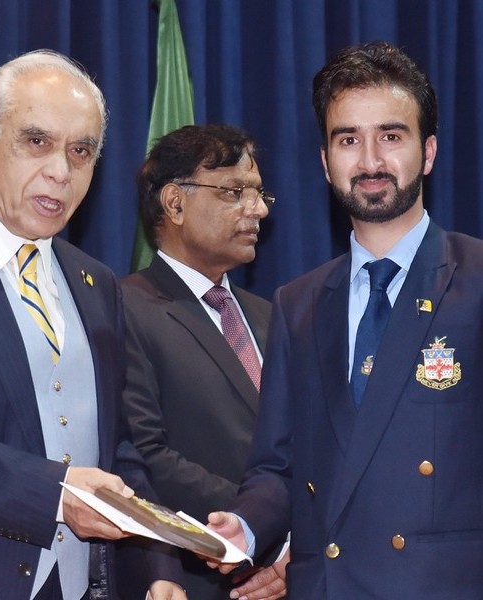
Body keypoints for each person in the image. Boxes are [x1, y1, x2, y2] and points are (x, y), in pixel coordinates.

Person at [207, 40, 483, 599]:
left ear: (428, 152)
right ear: (325, 161)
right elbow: (276, 467)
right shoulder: (298, 304)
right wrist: (246, 525)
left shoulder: (476, 281)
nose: (370, 161)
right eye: (348, 140)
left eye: (391, 136)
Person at [0, 49, 186, 600]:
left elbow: (117, 447)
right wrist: (53, 495)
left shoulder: (97, 283)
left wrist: (157, 566)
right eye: (37, 141)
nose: (61, 172)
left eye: (80, 151)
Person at [121, 124, 286, 599]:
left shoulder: (273, 316)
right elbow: (145, 454)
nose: (258, 209)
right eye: (235, 192)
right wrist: (262, 523)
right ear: (174, 203)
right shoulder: (123, 307)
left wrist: (294, 544)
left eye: (258, 193)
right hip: (190, 578)